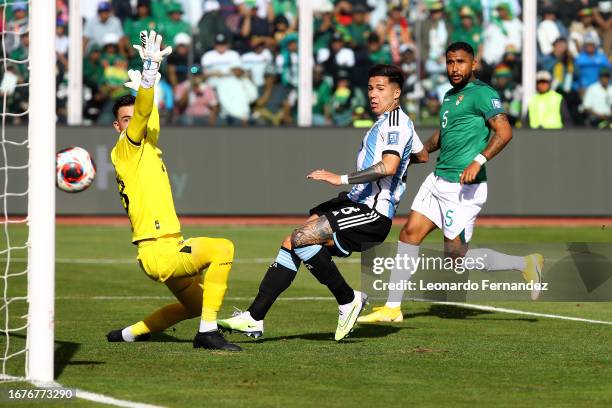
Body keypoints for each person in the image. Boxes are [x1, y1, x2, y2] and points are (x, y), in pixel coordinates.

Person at [217, 64, 428, 341]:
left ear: (397, 92)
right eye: (370, 88)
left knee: (303, 237)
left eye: (380, 89)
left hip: (372, 211)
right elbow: (422, 155)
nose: (373, 95)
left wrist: (340, 178)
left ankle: (348, 299)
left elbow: (388, 166)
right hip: (355, 201)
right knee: (292, 240)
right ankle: (254, 317)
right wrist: (403, 163)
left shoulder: (395, 124)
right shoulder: (396, 123)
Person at [358, 42, 544, 324]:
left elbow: (505, 132)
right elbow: (444, 136)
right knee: (409, 235)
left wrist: (478, 161)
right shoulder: (449, 96)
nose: (454, 68)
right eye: (449, 62)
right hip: (438, 179)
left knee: (455, 259)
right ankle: (392, 308)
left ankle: (525, 264)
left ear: (474, 64)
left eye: (460, 62)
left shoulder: (483, 94)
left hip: (464, 186)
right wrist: (419, 152)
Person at [105, 30, 240, 351]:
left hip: (167, 245)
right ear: (117, 127)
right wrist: (149, 73)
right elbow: (142, 114)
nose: (130, 123)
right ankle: (208, 333)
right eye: (123, 120)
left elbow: (148, 115)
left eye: (131, 118)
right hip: (158, 251)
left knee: (195, 304)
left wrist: (145, 93)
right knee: (222, 248)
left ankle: (127, 334)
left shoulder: (147, 145)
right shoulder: (126, 148)